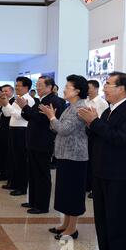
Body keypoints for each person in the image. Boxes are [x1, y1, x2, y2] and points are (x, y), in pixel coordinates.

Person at [79, 72, 126, 250]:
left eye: (107, 84)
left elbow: (120, 138)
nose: (104, 87)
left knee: (118, 217)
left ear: (121, 88)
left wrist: (94, 122)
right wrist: (90, 123)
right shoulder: (109, 109)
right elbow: (99, 135)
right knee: (102, 214)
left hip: (119, 173)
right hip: (101, 169)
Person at [40, 74, 89, 240]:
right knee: (64, 192)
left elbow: (64, 129)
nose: (64, 89)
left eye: (68, 87)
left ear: (77, 91)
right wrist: (53, 118)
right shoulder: (70, 106)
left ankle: (72, 229)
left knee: (73, 193)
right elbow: (58, 128)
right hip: (65, 155)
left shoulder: (80, 108)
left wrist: (51, 116)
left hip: (75, 158)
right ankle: (65, 224)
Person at [19, 76, 66, 214]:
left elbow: (40, 119)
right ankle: (33, 201)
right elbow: (30, 116)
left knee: (41, 174)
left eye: (40, 85)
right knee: (33, 173)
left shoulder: (54, 101)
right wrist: (24, 108)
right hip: (34, 142)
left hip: (43, 142)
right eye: (37, 85)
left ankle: (42, 205)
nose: (37, 88)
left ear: (49, 87)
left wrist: (25, 107)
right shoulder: (41, 100)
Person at [0, 77, 35, 196]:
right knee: (13, 158)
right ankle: (13, 183)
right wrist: (5, 104)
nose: (17, 87)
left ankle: (21, 187)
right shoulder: (18, 99)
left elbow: (20, 116)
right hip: (13, 130)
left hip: (21, 131)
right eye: (16, 85)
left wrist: (7, 104)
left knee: (21, 160)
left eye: (19, 86)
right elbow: (8, 113)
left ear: (26, 87)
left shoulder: (28, 99)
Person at [85, 80, 109, 198]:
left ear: (96, 88)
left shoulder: (102, 103)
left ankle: (94, 189)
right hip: (85, 133)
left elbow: (100, 120)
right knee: (87, 161)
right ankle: (87, 185)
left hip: (95, 134)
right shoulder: (86, 101)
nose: (87, 90)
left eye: (89, 88)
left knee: (94, 161)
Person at [0, 85, 14, 182]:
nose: (3, 93)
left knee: (5, 152)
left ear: (12, 92)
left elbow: (8, 114)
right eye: (2, 91)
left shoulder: (13, 102)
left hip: (7, 129)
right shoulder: (1, 101)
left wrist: (4, 104)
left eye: (6, 91)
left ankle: (5, 173)